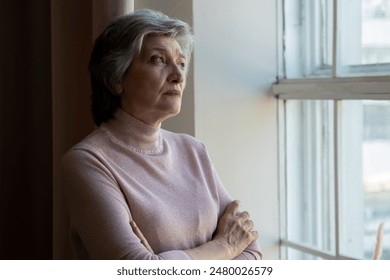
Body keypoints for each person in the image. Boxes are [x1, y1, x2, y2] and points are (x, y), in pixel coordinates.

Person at [62, 9, 262, 260]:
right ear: (116, 78)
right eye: (158, 59)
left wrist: (167, 261)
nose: (178, 76)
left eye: (180, 63)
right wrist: (223, 247)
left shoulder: (193, 149)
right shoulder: (87, 161)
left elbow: (251, 250)